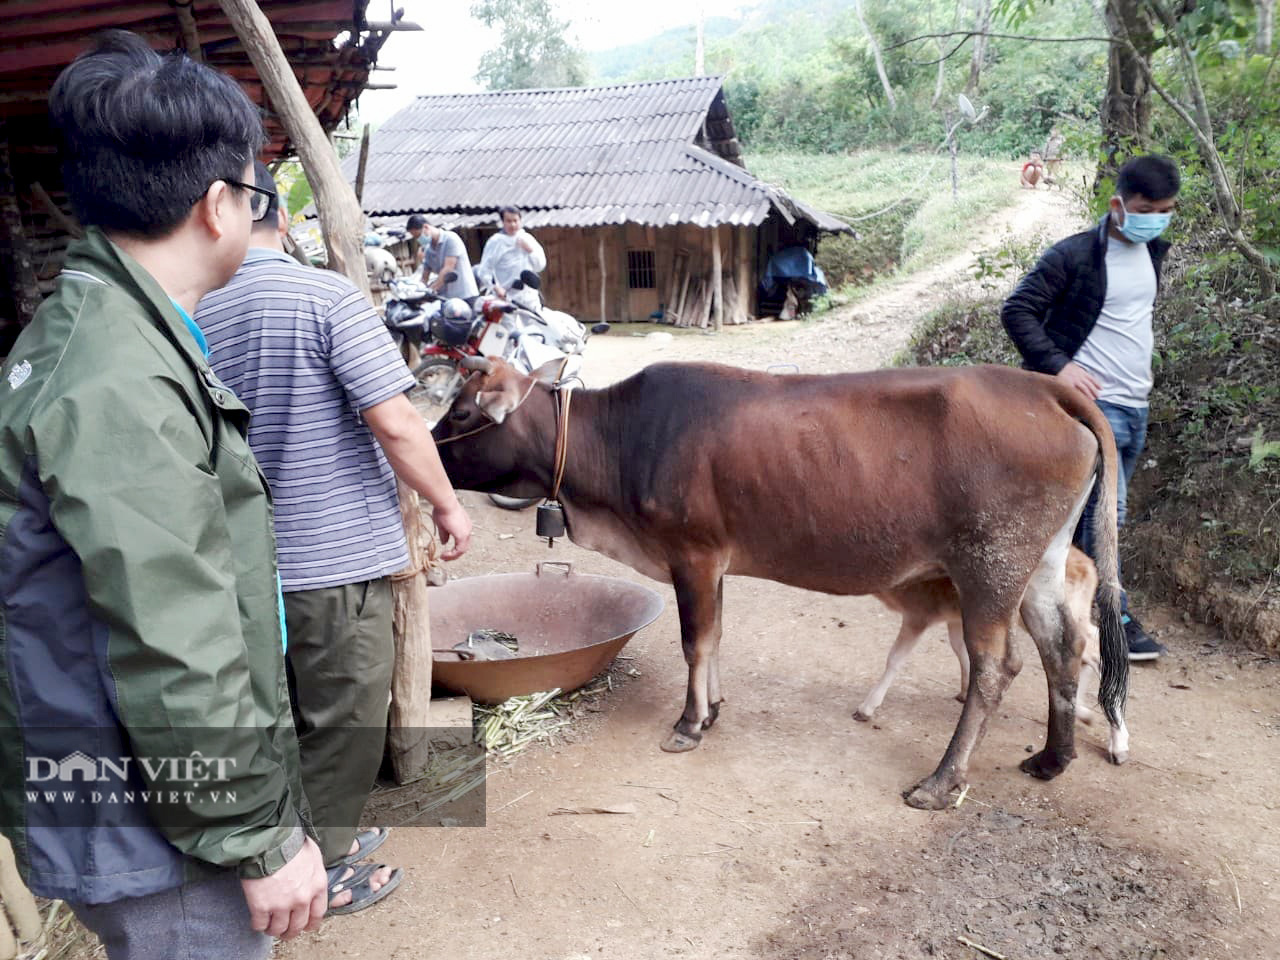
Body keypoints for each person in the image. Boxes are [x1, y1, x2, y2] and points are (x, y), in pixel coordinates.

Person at [0, 31, 327, 959]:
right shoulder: (120, 382)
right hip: (155, 830)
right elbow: (174, 637)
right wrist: (256, 837)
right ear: (220, 205)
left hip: (126, 799)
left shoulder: (101, 336)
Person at [196, 163, 474, 915]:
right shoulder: (325, 298)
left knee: (280, 717)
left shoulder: (191, 311)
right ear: (277, 218)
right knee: (344, 723)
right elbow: (395, 421)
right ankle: (326, 864)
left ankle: (296, 842)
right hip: (336, 561)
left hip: (245, 568)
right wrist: (446, 504)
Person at [1002, 154, 1180, 661]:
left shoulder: (1154, 253)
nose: (1157, 218)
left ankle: (1063, 607)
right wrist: (1058, 367)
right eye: (1148, 209)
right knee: (1109, 514)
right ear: (1117, 205)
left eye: (1167, 209)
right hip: (1091, 410)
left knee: (1087, 519)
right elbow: (1018, 309)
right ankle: (1113, 617)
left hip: (1135, 405)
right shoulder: (1075, 256)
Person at [477, 205, 546, 307]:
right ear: (502, 222)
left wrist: (529, 250)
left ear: (520, 221)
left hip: (529, 298)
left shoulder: (527, 239)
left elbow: (540, 265)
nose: (513, 224)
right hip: (505, 298)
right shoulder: (496, 242)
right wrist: (495, 288)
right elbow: (484, 270)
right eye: (509, 221)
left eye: (515, 220)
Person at [419, 219, 479, 301]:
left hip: (465, 296)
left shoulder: (450, 239)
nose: (418, 239)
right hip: (445, 299)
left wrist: (431, 290)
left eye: (418, 235)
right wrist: (419, 290)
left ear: (426, 227)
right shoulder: (428, 250)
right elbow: (424, 277)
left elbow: (448, 269)